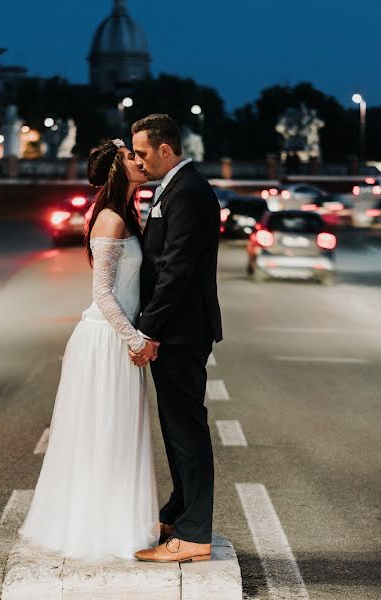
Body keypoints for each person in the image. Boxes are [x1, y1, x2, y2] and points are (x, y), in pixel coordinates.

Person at [18, 139, 160, 560]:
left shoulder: (128, 214)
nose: (140, 160)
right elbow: (102, 292)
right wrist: (135, 339)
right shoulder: (111, 220)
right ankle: (98, 530)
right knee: (105, 437)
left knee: (118, 437)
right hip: (105, 340)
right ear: (119, 170)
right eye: (132, 157)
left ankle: (117, 522)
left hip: (117, 339)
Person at [130, 114, 224, 564]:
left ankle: (193, 533)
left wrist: (148, 327)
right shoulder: (175, 187)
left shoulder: (188, 191)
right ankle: (179, 511)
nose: (138, 160)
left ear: (166, 148)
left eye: (143, 152)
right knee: (176, 425)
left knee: (186, 427)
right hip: (180, 326)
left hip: (183, 329)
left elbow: (178, 268)